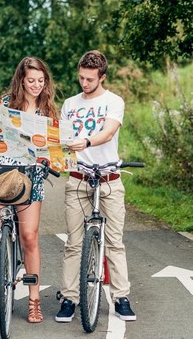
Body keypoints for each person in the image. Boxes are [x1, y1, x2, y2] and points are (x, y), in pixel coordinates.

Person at [0, 56, 59, 324]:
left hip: (30, 174)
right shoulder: (5, 104)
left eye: (41, 81)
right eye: (31, 81)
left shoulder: (48, 111)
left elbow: (52, 150)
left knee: (29, 236)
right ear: (21, 80)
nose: (36, 85)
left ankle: (34, 302)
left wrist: (51, 156)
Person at [55, 50, 137, 322]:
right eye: (81, 78)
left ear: (102, 76)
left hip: (109, 180)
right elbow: (63, 139)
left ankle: (121, 297)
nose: (84, 83)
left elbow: (109, 131)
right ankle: (69, 298)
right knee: (73, 243)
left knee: (114, 242)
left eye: (90, 79)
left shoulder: (114, 101)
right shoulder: (69, 103)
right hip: (78, 180)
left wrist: (87, 142)